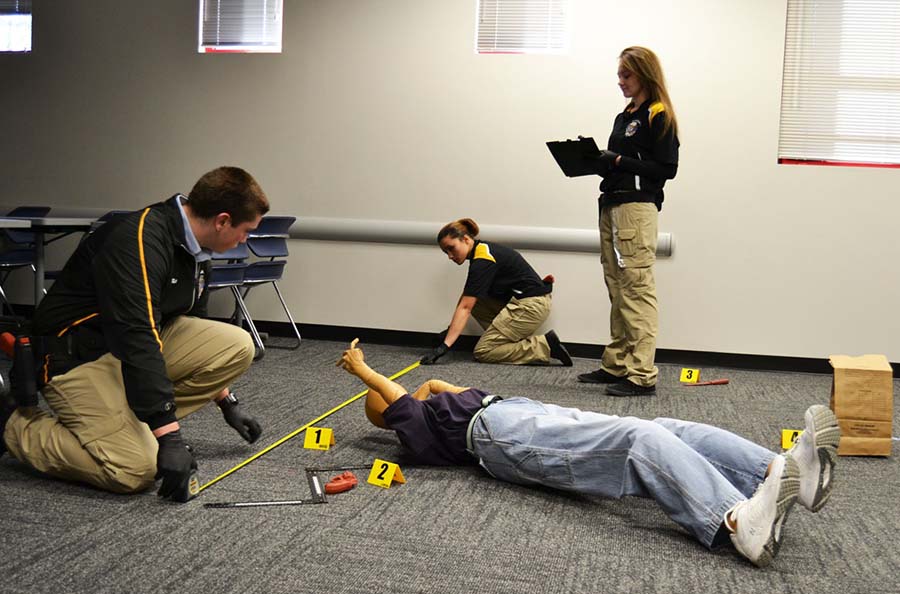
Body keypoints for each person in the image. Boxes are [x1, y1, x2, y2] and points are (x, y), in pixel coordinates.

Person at [338, 339, 841, 567]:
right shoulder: (418, 432)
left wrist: (425, 386)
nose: (409, 392)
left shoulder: (437, 404)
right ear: (389, 415)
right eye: (390, 398)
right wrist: (364, 372)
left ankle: (779, 470)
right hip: (505, 440)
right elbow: (402, 399)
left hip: (522, 413)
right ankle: (738, 524)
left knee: (664, 425)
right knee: (637, 444)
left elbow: (427, 383)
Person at [0, 166, 269, 502]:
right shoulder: (141, 239)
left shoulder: (198, 252)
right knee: (135, 469)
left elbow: (187, 327)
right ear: (223, 220)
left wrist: (226, 401)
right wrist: (168, 437)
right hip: (75, 356)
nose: (245, 240)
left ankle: (129, 422)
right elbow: (138, 335)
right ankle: (13, 426)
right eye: (246, 231)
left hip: (121, 351)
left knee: (238, 345)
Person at [578, 46, 680, 396]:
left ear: (644, 74)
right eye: (619, 74)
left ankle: (641, 375)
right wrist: (595, 160)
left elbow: (667, 169)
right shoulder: (626, 115)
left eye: (626, 75)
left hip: (636, 209)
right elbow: (624, 160)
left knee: (636, 288)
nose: (620, 81)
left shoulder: (658, 114)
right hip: (612, 204)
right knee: (617, 286)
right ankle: (617, 364)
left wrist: (618, 160)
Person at [419, 218, 572, 367]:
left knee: (484, 351)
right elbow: (467, 300)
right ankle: (506, 340)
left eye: (451, 248)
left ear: (465, 239)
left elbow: (465, 308)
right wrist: (450, 330)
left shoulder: (483, 261)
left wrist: (444, 347)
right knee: (474, 300)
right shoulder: (483, 251)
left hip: (530, 306)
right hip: (528, 302)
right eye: (446, 252)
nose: (450, 256)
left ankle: (544, 346)